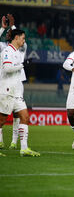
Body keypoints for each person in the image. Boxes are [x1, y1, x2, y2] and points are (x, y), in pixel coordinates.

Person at [0, 29, 40, 157]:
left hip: (16, 91)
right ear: (16, 37)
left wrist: (22, 64)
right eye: (23, 38)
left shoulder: (17, 52)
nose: (24, 40)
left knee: (25, 117)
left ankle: (24, 148)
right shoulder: (7, 51)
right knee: (1, 121)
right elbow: (7, 68)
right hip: (6, 90)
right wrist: (22, 65)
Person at [0, 14, 27, 150]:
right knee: (3, 118)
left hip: (18, 85)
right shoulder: (4, 48)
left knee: (22, 115)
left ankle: (19, 145)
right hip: (6, 86)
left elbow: (22, 41)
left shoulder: (20, 49)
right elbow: (7, 67)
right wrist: (2, 28)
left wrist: (12, 26)